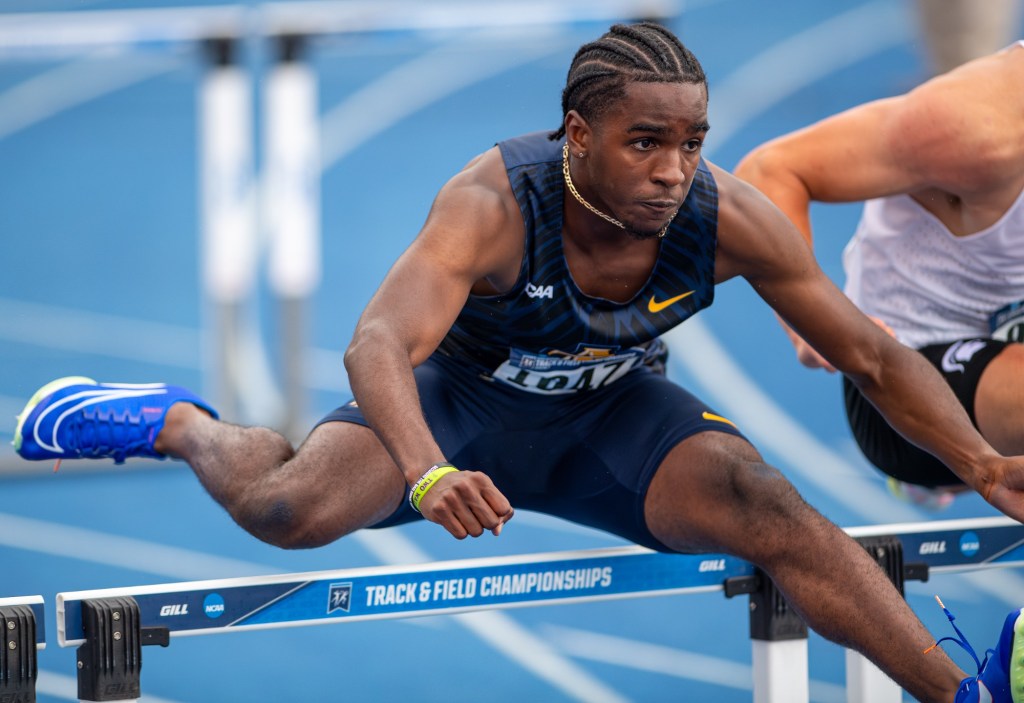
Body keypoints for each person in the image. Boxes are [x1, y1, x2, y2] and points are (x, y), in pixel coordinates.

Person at [12, 23, 1024, 702]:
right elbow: (379, 342)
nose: (671, 170)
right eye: (642, 143)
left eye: (690, 142)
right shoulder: (493, 204)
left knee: (768, 503)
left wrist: (976, 462)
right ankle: (181, 422)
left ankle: (957, 694)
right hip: (461, 410)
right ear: (576, 133)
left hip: (614, 418)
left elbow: (872, 355)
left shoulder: (724, 214)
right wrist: (426, 468)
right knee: (289, 512)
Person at [734, 40, 1024, 511]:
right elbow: (771, 171)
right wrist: (811, 324)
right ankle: (934, 474)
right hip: (906, 377)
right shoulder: (978, 128)